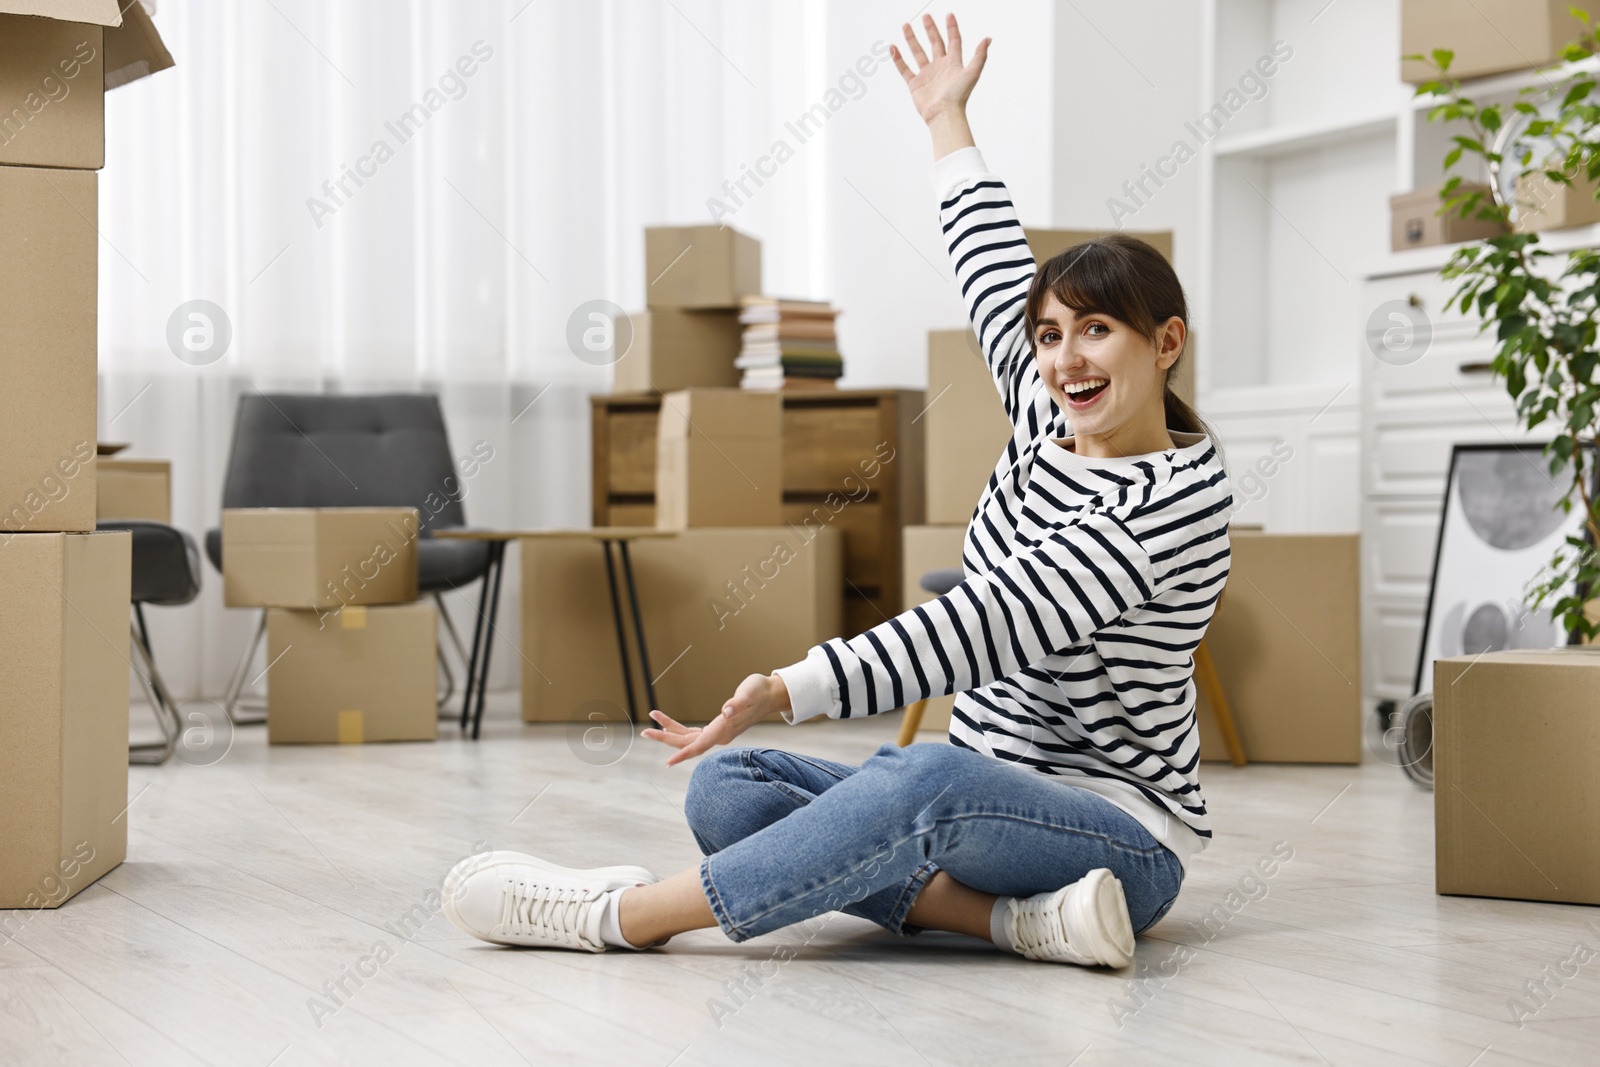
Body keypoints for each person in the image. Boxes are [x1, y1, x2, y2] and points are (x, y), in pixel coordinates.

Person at [441, 12, 1233, 969]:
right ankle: (1011, 921)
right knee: (729, 790)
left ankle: (621, 915)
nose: (1066, 357)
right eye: (1052, 334)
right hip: (985, 809)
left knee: (924, 777)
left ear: (1166, 342)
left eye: (1097, 328)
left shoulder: (1169, 506)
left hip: (1119, 840)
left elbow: (986, 623)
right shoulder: (1049, 413)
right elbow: (989, 264)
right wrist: (947, 118)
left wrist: (786, 685)